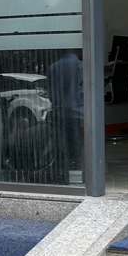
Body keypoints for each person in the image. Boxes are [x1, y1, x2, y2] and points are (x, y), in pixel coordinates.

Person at [47, 50, 84, 184]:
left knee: (60, 145)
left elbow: (51, 92)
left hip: (58, 111)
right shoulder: (82, 66)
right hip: (76, 112)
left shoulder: (53, 66)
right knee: (74, 145)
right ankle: (75, 174)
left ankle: (61, 174)